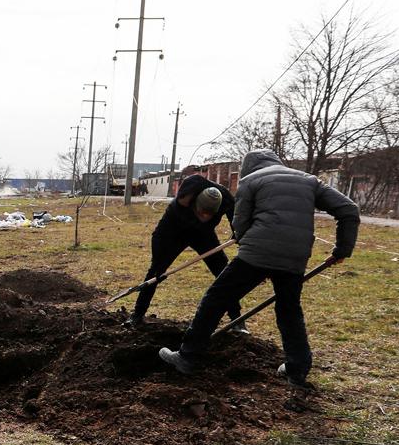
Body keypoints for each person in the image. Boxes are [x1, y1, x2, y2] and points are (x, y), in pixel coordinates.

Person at [158, 150, 359, 387]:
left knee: (216, 298)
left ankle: (187, 357)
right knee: (289, 311)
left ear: (247, 168)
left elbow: (240, 223)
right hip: (296, 255)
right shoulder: (309, 180)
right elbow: (348, 209)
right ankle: (297, 370)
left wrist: (250, 250)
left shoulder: (250, 180)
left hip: (258, 251)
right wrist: (342, 250)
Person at [126, 176, 244, 330]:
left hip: (203, 235)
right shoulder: (185, 196)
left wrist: (238, 232)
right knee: (156, 273)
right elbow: (160, 236)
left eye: (209, 215)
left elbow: (236, 218)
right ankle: (137, 314)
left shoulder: (225, 200)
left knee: (223, 272)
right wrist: (159, 260)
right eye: (201, 213)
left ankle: (237, 320)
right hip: (173, 232)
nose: (205, 217)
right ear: (193, 203)